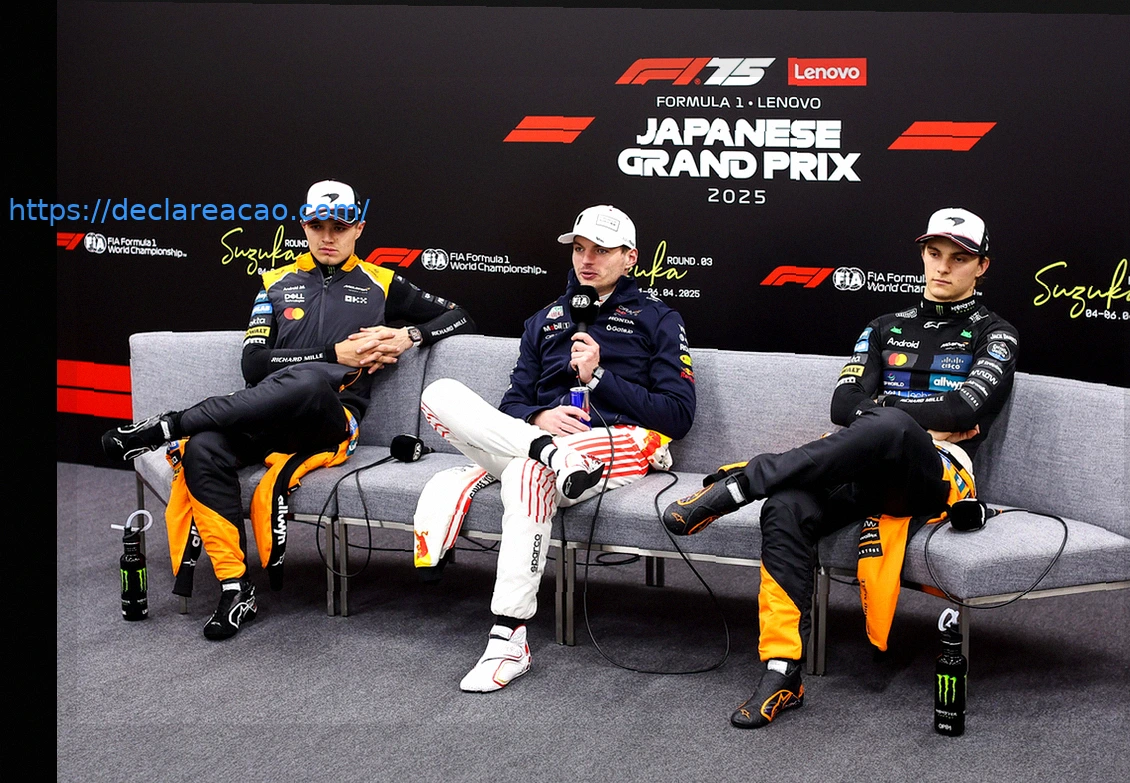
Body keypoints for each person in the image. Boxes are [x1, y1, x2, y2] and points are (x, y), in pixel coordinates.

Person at [661, 207, 1019, 728]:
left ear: (981, 266)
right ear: (922, 254)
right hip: (859, 465)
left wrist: (893, 418)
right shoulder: (883, 327)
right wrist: (908, 419)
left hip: (935, 477)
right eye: (934, 253)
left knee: (891, 426)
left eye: (959, 258)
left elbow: (964, 412)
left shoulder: (997, 334)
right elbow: (842, 404)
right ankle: (782, 673)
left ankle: (743, 482)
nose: (942, 266)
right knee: (786, 507)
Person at [101, 179, 476, 640]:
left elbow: (460, 315)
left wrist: (409, 335)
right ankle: (236, 589)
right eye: (317, 226)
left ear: (359, 228)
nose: (328, 237)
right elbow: (254, 364)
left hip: (329, 420)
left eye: (339, 227)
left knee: (311, 380)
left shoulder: (381, 283)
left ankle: (165, 426)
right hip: (265, 417)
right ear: (303, 226)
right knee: (203, 448)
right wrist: (333, 353)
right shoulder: (274, 282)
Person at [418, 204, 696, 692]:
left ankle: (508, 639)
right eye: (580, 249)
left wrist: (600, 376)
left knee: (527, 471)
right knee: (437, 395)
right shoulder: (543, 319)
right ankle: (549, 450)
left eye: (602, 251)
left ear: (630, 257)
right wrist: (538, 419)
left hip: (625, 440)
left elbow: (677, 416)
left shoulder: (659, 318)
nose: (587, 260)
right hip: (549, 445)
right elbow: (511, 404)